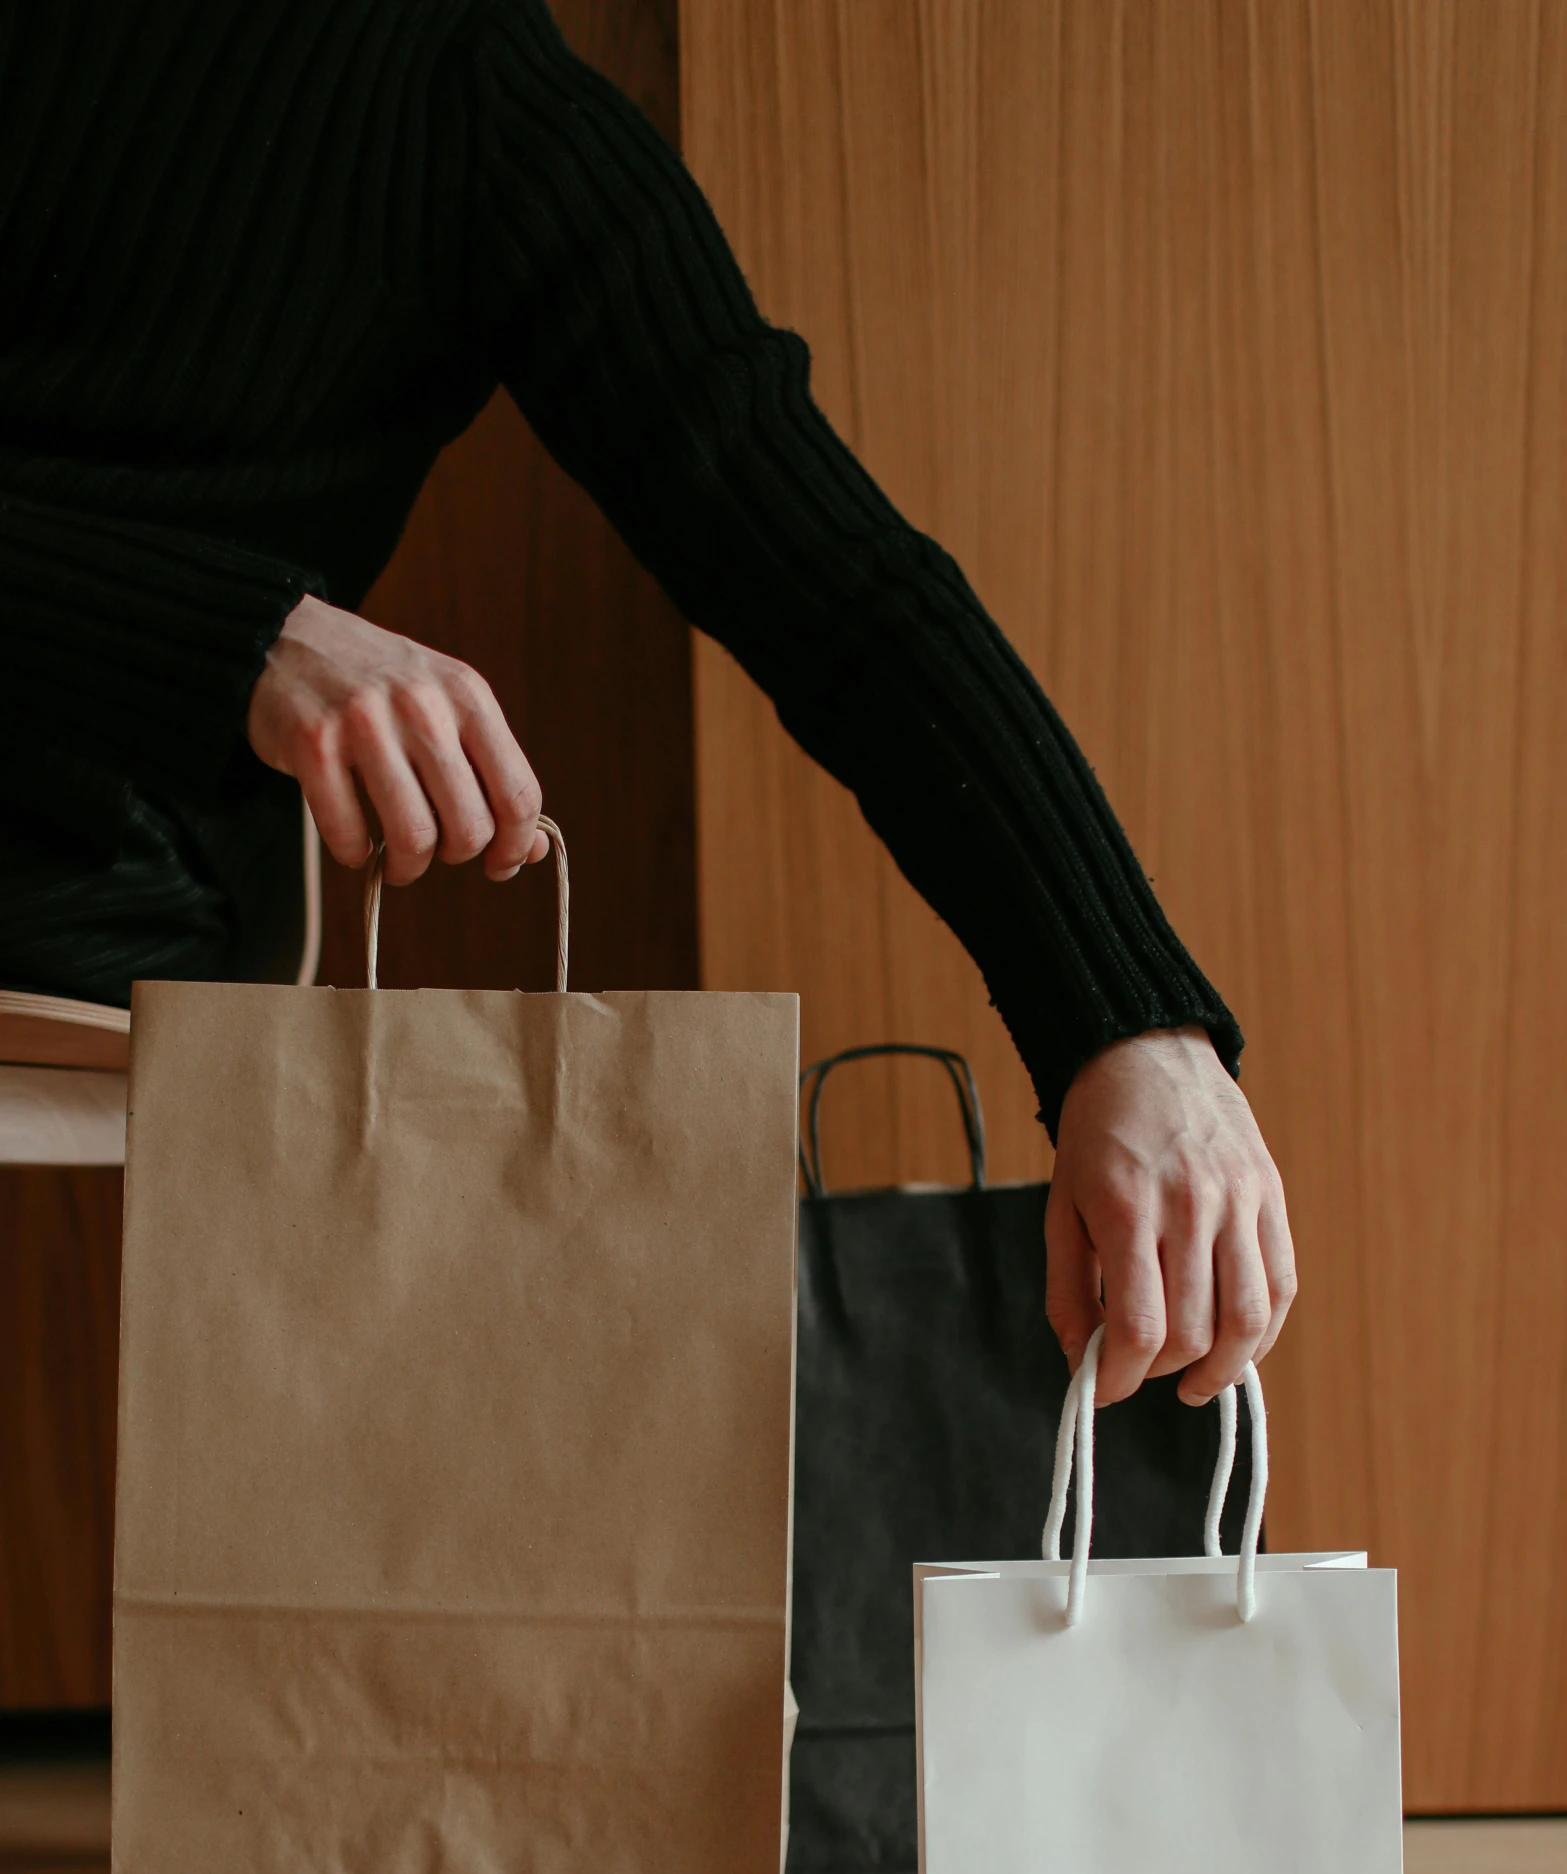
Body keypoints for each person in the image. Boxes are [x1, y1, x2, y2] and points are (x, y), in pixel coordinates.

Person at [0, 0, 1294, 1407]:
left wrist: (1128, 1023)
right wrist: (232, 640)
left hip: (91, 900)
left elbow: (832, 583)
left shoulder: (465, 92)